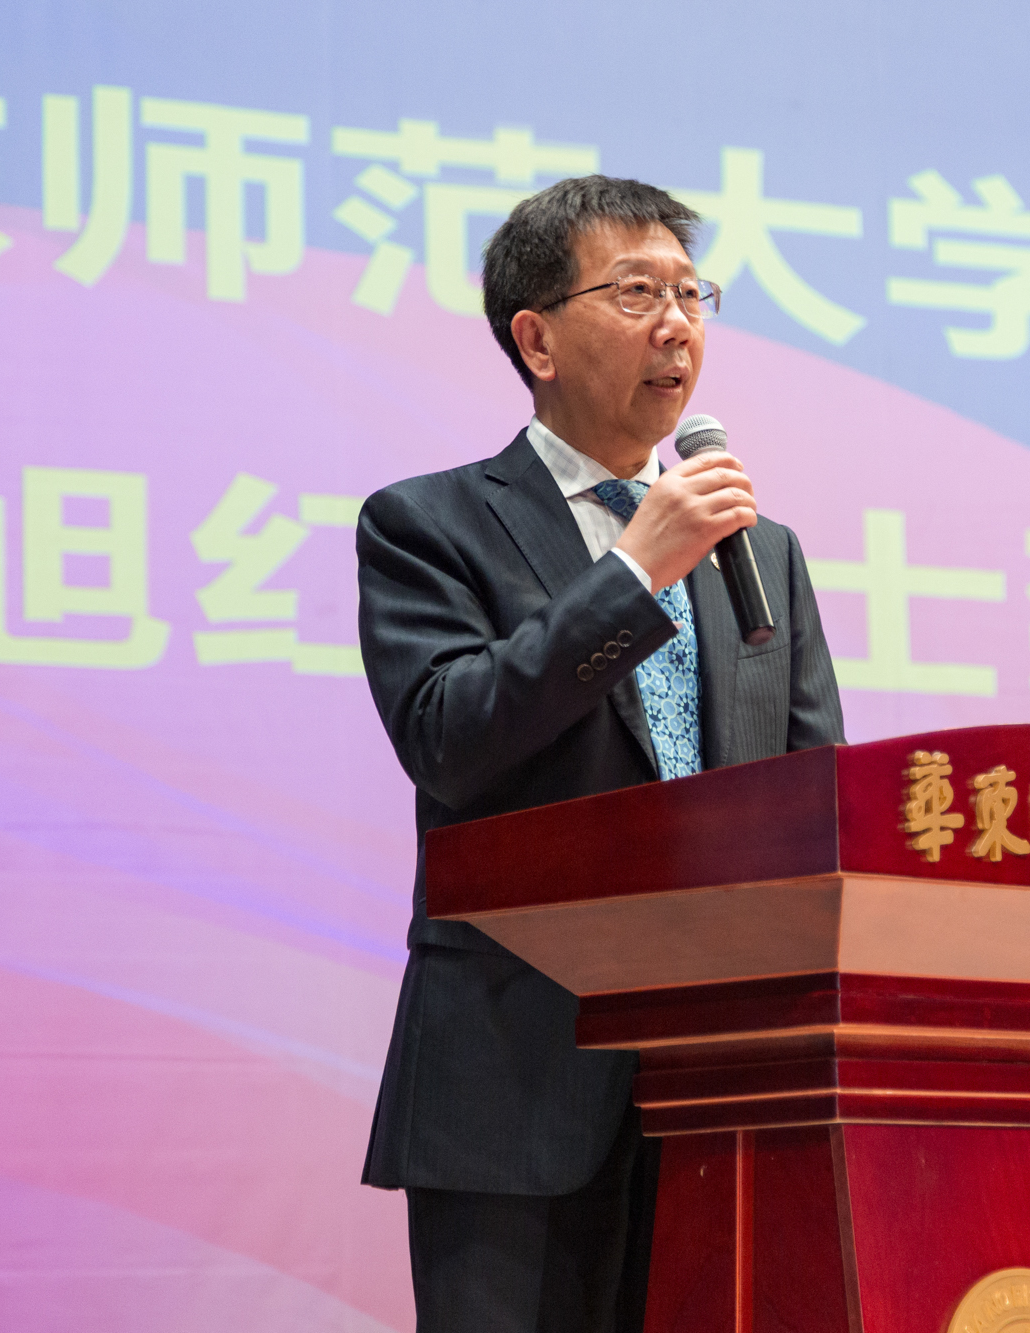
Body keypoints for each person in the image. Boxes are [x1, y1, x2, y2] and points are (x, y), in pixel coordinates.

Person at [352, 175, 845, 1332]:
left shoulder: (760, 550)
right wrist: (631, 574)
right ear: (536, 339)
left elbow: (816, 799)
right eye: (636, 293)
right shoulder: (429, 524)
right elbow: (449, 736)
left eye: (691, 294)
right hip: (514, 1077)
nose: (676, 324)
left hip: (724, 1084)